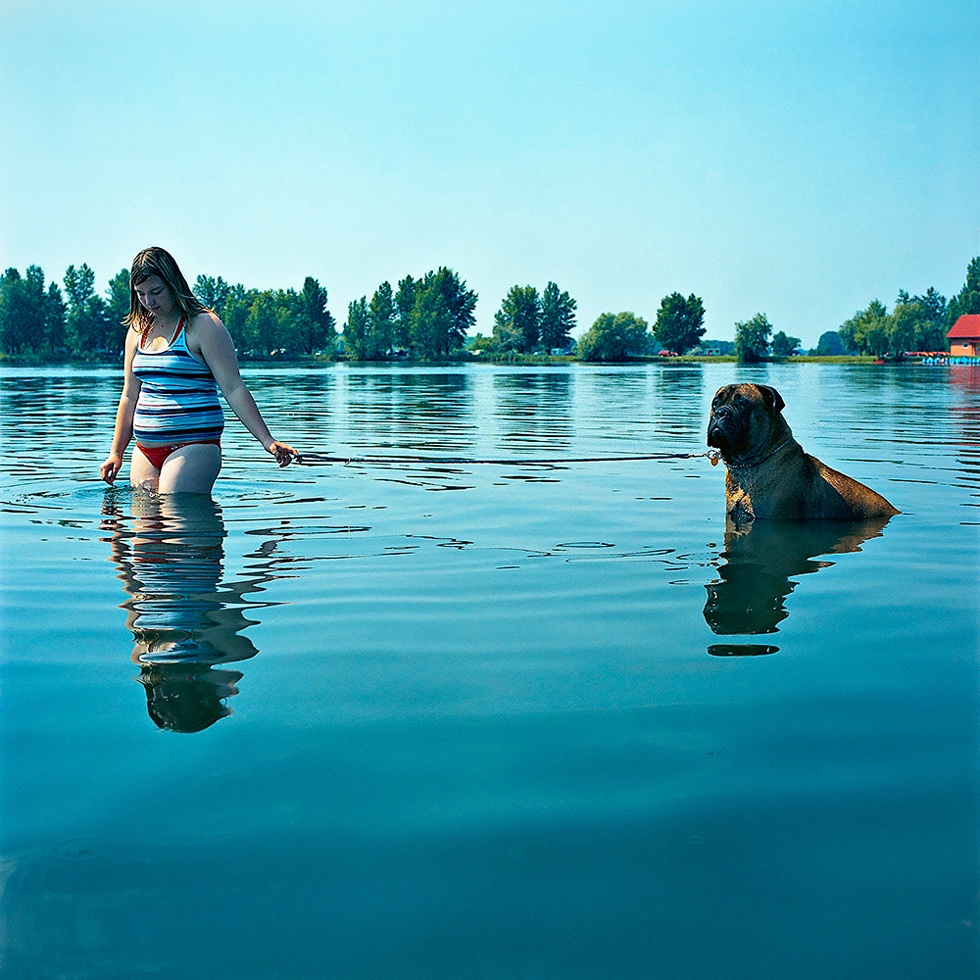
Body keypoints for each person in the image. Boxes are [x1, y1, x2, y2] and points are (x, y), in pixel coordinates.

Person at [100, 247, 294, 494]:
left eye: (156, 292)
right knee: (144, 530)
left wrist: (267, 440)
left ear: (173, 284)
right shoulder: (138, 330)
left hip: (194, 446)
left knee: (174, 516)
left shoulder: (203, 325)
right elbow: (129, 395)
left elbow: (233, 388)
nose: (149, 301)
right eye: (141, 294)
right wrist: (115, 453)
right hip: (145, 450)